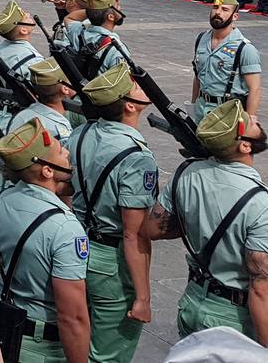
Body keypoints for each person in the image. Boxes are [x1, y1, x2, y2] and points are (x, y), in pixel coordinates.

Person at [142, 99, 268, 346]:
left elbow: (153, 228)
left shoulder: (187, 173)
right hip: (232, 320)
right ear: (244, 146)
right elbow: (263, 287)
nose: (253, 117)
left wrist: (200, 222)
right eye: (247, 121)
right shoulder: (262, 202)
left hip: (193, 302)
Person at [0, 117, 91, 363]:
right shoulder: (66, 228)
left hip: (5, 333)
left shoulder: (0, 201)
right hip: (44, 346)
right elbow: (72, 318)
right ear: (47, 171)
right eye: (60, 151)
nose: (66, 152)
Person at [67, 63, 158, 363]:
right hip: (110, 260)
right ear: (130, 106)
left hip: (76, 245)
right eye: (135, 86)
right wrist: (143, 298)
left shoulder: (80, 134)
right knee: (108, 354)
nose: (142, 87)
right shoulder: (137, 157)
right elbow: (134, 234)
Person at [190, 0, 262, 121]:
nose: (218, 12)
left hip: (227, 114)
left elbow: (254, 88)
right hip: (201, 109)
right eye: (215, 7)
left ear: (235, 16)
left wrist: (250, 121)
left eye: (224, 10)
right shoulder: (202, 39)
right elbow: (198, 77)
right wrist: (193, 106)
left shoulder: (244, 48)